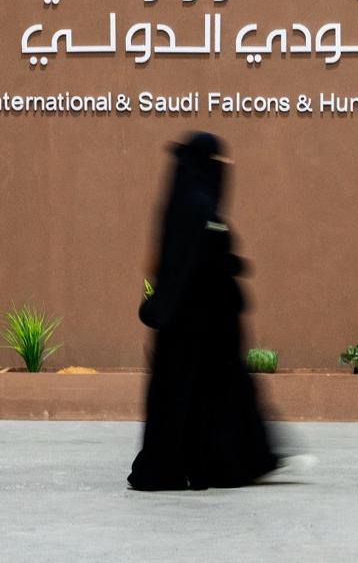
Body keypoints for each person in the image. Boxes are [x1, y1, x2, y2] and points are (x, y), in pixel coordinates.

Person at [128, 132, 281, 490]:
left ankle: (179, 465)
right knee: (209, 397)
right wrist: (234, 264)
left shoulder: (178, 203)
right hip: (202, 329)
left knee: (180, 398)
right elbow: (208, 259)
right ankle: (212, 464)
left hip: (183, 328)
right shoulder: (199, 206)